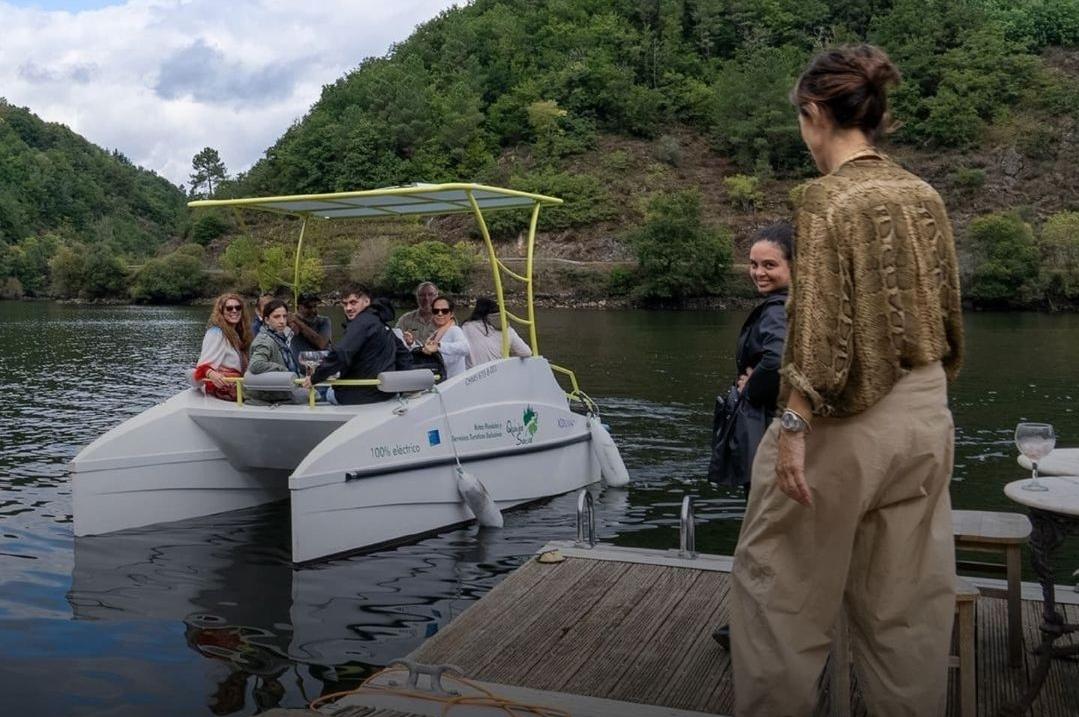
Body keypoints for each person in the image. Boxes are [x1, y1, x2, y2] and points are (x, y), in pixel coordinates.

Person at [728, 44, 964, 716]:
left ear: (812, 116)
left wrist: (795, 422)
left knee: (779, 594)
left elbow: (820, 328)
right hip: (924, 411)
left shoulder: (823, 201)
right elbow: (947, 316)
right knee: (906, 611)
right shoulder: (923, 194)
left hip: (840, 422)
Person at [708, 223, 792, 497]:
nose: (758, 273)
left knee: (765, 506)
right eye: (754, 264)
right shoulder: (799, 303)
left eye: (769, 265)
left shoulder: (777, 310)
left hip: (768, 426)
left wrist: (751, 388)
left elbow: (777, 358)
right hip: (782, 422)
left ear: (795, 266)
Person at [303, 286, 412, 404]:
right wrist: (401, 389)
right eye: (345, 304)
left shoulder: (361, 323)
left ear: (367, 302)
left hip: (358, 395)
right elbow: (404, 355)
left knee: (323, 391)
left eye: (353, 303)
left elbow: (341, 352)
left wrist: (315, 378)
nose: (348, 308)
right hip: (386, 393)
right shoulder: (381, 323)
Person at [195, 293, 253, 401]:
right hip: (224, 388)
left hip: (238, 384)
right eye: (229, 308)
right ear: (222, 312)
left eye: (238, 307)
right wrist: (211, 374)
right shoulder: (216, 333)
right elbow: (201, 366)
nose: (234, 311)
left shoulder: (237, 334)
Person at [246, 299, 303, 403]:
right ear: (267, 320)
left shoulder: (279, 336)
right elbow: (256, 365)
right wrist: (283, 370)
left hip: (286, 388)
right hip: (276, 395)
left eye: (284, 316)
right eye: (277, 317)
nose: (282, 321)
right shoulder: (264, 340)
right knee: (320, 394)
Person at [461, 296, 533, 369]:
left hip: (471, 375)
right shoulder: (507, 329)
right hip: (496, 373)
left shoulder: (466, 326)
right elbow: (526, 352)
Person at [418, 295, 470, 379]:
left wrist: (439, 346)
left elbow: (465, 348)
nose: (440, 314)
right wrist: (411, 342)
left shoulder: (454, 330)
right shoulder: (435, 334)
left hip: (453, 384)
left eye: (444, 311)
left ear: (451, 313)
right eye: (436, 311)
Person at [288, 292, 332, 363]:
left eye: (315, 306)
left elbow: (321, 344)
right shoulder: (289, 320)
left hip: (322, 360)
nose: (313, 310)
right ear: (298, 308)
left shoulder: (324, 321)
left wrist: (299, 323)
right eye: (308, 307)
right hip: (301, 361)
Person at [396, 281, 439, 347]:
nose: (426, 298)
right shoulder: (405, 319)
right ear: (417, 298)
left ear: (437, 297)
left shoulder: (446, 320)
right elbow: (395, 340)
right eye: (422, 295)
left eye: (430, 294)